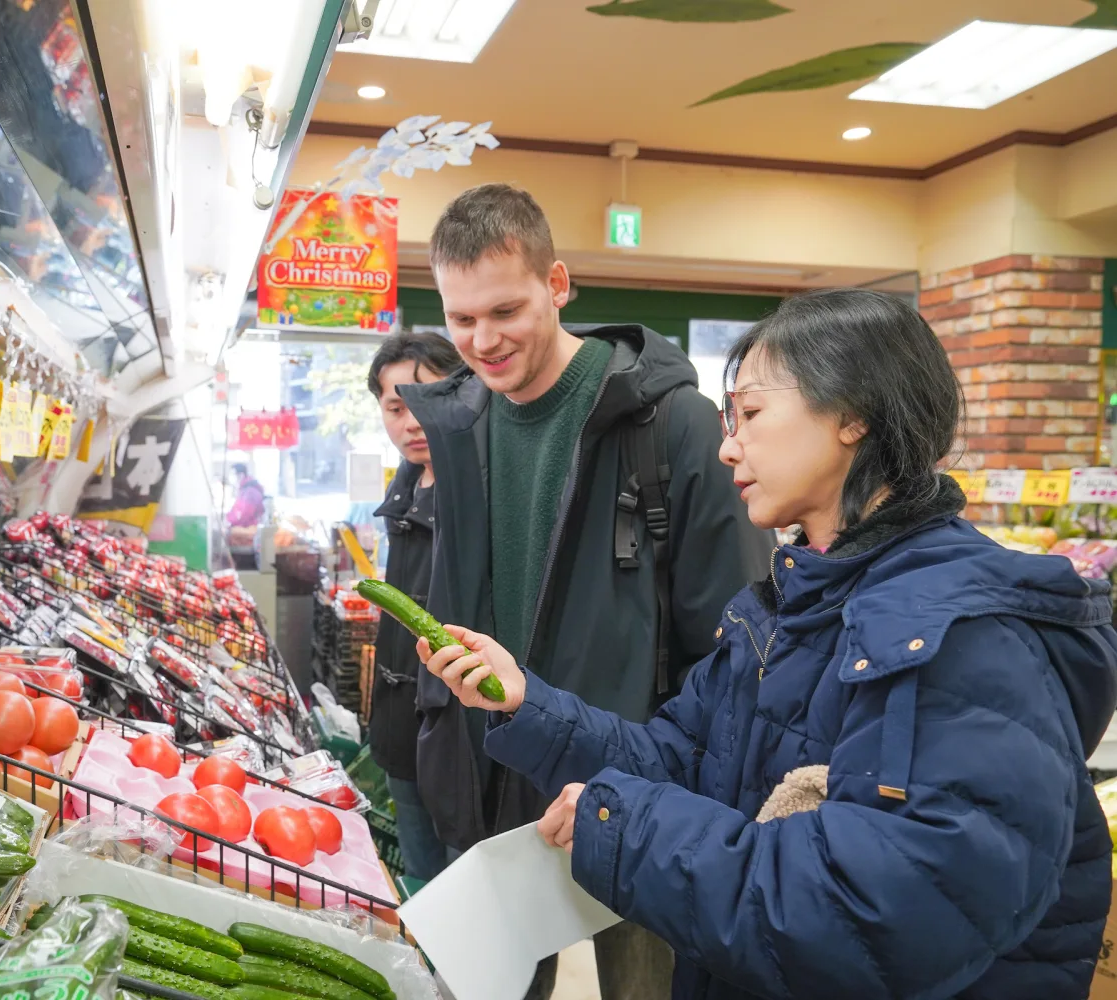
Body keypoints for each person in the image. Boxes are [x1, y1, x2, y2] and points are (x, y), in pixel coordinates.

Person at [421, 288, 1117, 1000]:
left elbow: (871, 917)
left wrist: (633, 829)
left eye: (751, 414)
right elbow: (679, 760)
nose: (727, 445)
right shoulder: (791, 606)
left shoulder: (964, 637)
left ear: (854, 415)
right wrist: (528, 702)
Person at [399, 183, 772, 999]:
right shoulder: (457, 430)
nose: (483, 341)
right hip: (494, 786)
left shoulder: (672, 426)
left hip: (641, 796)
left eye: (506, 311)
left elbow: (738, 646)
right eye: (462, 320)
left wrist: (677, 795)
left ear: (558, 284)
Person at [366, 331, 464, 882]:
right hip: (400, 731)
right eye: (396, 407)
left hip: (462, 738)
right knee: (421, 889)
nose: (411, 421)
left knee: (468, 896)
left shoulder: (480, 487)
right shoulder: (405, 487)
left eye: (424, 402)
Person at [226, 463, 265, 528]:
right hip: (245, 530)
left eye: (233, 474)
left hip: (246, 532)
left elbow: (244, 515)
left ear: (241, 475)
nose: (231, 477)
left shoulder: (250, 493)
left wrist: (229, 520)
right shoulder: (245, 490)